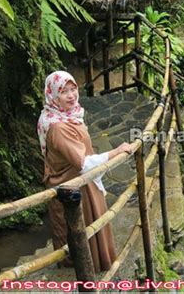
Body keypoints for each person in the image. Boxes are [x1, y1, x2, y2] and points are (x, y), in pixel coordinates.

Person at [37, 71, 132, 272]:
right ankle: (86, 276)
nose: (71, 95)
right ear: (53, 95)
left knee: (82, 232)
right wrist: (116, 151)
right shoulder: (58, 126)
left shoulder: (66, 115)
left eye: (73, 89)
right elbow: (84, 164)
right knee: (80, 236)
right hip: (74, 185)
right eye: (64, 92)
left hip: (79, 182)